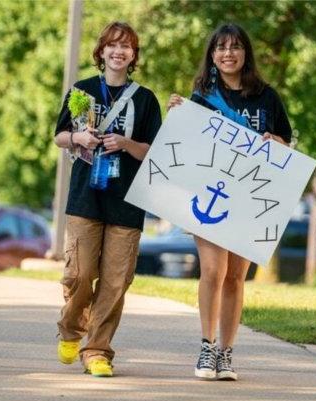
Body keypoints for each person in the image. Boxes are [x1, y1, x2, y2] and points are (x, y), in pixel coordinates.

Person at [167, 23, 292, 381]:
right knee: (213, 271)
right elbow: (186, 143)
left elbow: (286, 144)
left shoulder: (266, 97)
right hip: (209, 193)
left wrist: (279, 144)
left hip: (249, 198)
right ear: (211, 55)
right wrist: (177, 112)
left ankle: (226, 353)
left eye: (235, 46)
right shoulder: (202, 95)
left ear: (245, 53)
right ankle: (206, 347)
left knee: (236, 278)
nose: (228, 53)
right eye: (220, 47)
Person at [54, 21, 162, 377]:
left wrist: (126, 144)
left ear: (134, 55)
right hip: (86, 197)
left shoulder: (145, 99)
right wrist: (79, 138)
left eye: (127, 46)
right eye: (113, 45)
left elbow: (154, 151)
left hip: (127, 201)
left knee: (116, 282)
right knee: (81, 274)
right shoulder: (82, 90)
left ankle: (97, 350)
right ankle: (70, 327)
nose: (119, 51)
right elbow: (59, 137)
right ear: (101, 51)